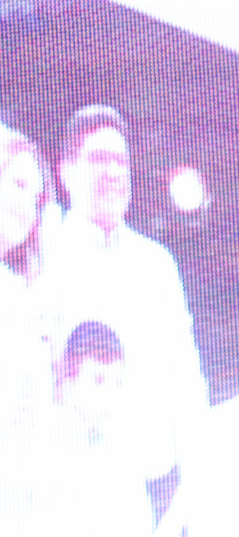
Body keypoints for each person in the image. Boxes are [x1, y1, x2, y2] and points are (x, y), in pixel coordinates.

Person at [37, 105, 208, 489]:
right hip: (70, 484)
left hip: (154, 486)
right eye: (99, 159)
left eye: (122, 161)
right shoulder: (44, 257)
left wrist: (195, 484)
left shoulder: (157, 264)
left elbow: (186, 378)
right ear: (66, 172)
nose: (114, 172)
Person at [29, 320, 164, 537]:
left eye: (118, 382)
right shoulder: (49, 448)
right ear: (69, 384)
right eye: (98, 380)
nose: (111, 394)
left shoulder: (119, 448)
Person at [0, 124, 54, 531]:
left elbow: (29, 421)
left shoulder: (22, 299)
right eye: (18, 184)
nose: (26, 205)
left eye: (36, 198)